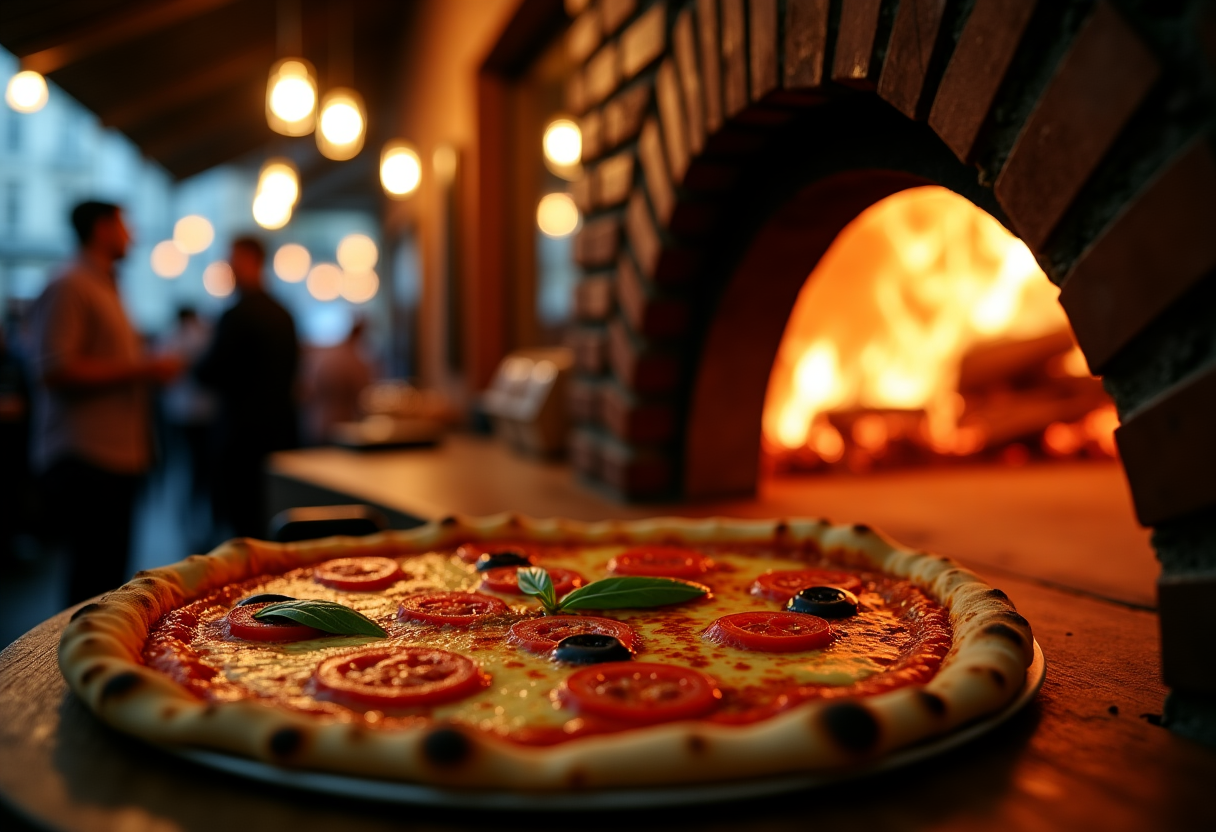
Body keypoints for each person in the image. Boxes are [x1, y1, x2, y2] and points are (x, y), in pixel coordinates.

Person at [27, 201, 181, 603]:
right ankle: (76, 664)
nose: (132, 234)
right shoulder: (69, 284)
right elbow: (55, 370)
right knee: (90, 583)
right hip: (85, 456)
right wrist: (142, 369)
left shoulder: (104, 284)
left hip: (112, 455)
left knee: (105, 578)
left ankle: (91, 659)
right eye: (123, 225)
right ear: (101, 229)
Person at [196, 236, 299, 539]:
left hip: (240, 436)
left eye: (233, 259)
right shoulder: (283, 313)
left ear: (251, 260)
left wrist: (192, 364)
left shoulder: (237, 315)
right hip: (280, 430)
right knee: (273, 520)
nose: (228, 267)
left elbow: (210, 372)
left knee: (243, 526)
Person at [301, 317, 374, 444]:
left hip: (315, 421)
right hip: (342, 423)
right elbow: (364, 393)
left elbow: (307, 389)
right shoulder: (353, 361)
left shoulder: (329, 356)